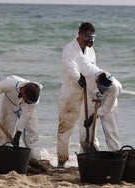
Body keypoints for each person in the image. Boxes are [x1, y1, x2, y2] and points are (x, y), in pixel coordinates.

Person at [57, 22, 97, 167]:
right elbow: (70, 68)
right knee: (65, 127)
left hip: (87, 91)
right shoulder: (69, 49)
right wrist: (80, 79)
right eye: (87, 37)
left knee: (87, 127)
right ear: (80, 33)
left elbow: (93, 68)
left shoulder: (91, 51)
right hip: (71, 92)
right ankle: (62, 160)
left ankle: (86, 158)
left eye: (92, 38)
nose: (89, 41)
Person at [0, 75, 43, 161]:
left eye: (29, 102)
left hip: (26, 110)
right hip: (9, 105)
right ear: (23, 91)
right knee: (4, 134)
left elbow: (25, 116)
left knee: (32, 135)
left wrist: (18, 133)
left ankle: (35, 160)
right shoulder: (10, 83)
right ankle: (4, 159)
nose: (28, 102)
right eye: (27, 100)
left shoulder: (33, 101)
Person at [80, 70, 122, 152]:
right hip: (92, 98)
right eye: (102, 89)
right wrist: (80, 77)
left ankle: (115, 153)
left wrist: (93, 117)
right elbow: (80, 67)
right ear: (97, 81)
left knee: (111, 131)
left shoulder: (114, 89)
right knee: (85, 130)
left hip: (109, 101)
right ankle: (89, 152)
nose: (103, 92)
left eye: (105, 90)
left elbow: (106, 108)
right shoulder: (90, 73)